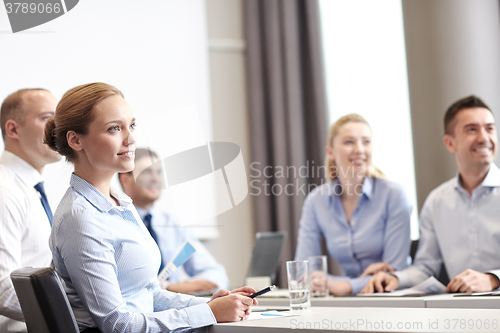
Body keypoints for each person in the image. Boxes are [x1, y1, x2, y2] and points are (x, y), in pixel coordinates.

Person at [44, 82, 256, 333]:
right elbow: (117, 324)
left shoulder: (119, 202)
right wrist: (207, 313)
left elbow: (148, 294)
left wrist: (209, 305)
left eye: (131, 125)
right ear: (75, 140)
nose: (131, 138)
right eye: (114, 128)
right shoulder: (81, 218)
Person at [361, 95, 500, 294]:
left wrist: (493, 278)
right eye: (472, 129)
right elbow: (425, 268)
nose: (484, 138)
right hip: (458, 312)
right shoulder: (437, 202)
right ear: (450, 143)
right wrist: (395, 278)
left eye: (490, 128)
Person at [294, 114, 412, 295]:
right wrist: (354, 283)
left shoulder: (394, 195)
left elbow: (393, 271)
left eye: (366, 142)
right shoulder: (316, 201)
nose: (360, 149)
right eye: (349, 142)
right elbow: (303, 271)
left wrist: (345, 286)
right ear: (330, 152)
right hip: (351, 301)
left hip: (394, 297)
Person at [118, 148, 229, 294]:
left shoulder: (173, 224)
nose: (155, 179)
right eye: (146, 172)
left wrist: (173, 287)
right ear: (125, 179)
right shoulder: (116, 223)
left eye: (159, 172)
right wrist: (171, 287)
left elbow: (216, 274)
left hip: (175, 309)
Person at [0, 88, 61, 333]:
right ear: (13, 129)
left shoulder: (32, 189)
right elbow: (3, 288)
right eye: (47, 118)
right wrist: (76, 312)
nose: (58, 128)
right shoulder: (4, 190)